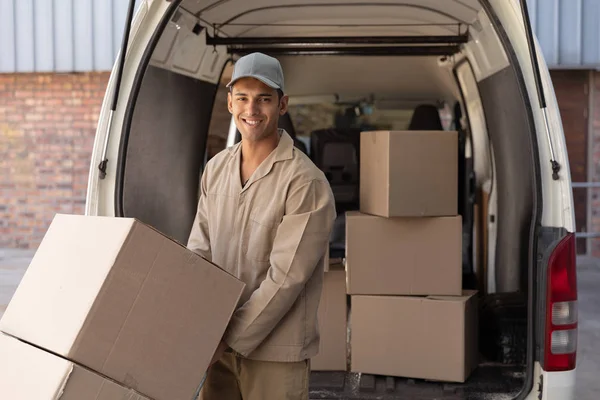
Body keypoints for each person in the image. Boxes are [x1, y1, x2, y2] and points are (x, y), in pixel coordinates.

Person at [187, 52, 336, 400]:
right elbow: (199, 251)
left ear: (282, 104)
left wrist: (226, 337)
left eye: (264, 99)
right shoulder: (216, 169)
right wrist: (196, 324)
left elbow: (286, 278)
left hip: (275, 353)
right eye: (242, 98)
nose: (251, 110)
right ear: (229, 103)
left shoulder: (304, 182)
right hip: (217, 346)